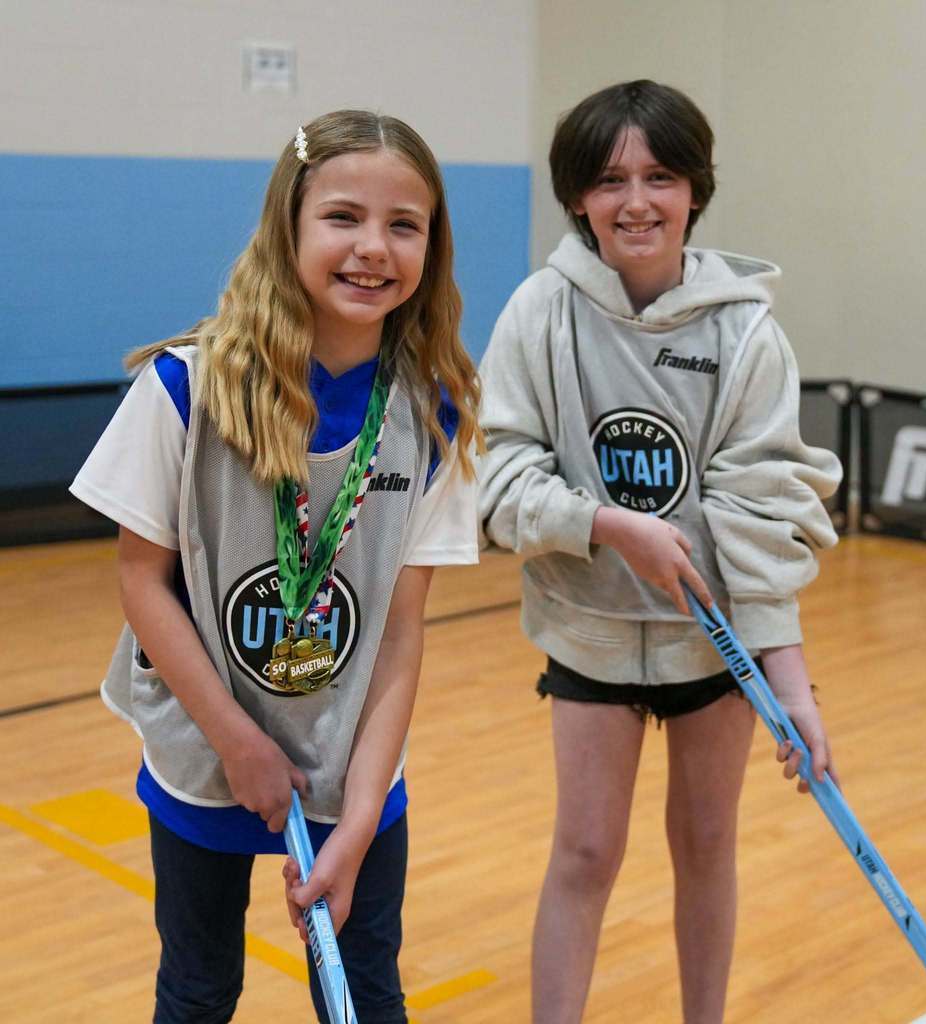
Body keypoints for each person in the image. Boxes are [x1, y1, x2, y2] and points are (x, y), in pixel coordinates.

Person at [71, 109, 482, 1024]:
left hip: (353, 762)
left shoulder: (435, 414)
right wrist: (236, 743)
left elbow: (403, 629)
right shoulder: (186, 387)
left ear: (431, 245)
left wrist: (365, 808)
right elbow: (142, 582)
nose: (373, 247)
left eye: (403, 225)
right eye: (343, 217)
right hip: (206, 750)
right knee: (199, 988)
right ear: (287, 225)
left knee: (368, 993)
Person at [477, 80, 842, 1024]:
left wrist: (791, 682)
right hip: (589, 637)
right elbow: (497, 477)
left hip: (710, 647)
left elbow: (763, 513)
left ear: (695, 190)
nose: (635, 200)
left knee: (705, 846)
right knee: (586, 854)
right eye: (608, 180)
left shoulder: (746, 332)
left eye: (660, 176)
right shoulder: (538, 314)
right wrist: (608, 526)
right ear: (576, 199)